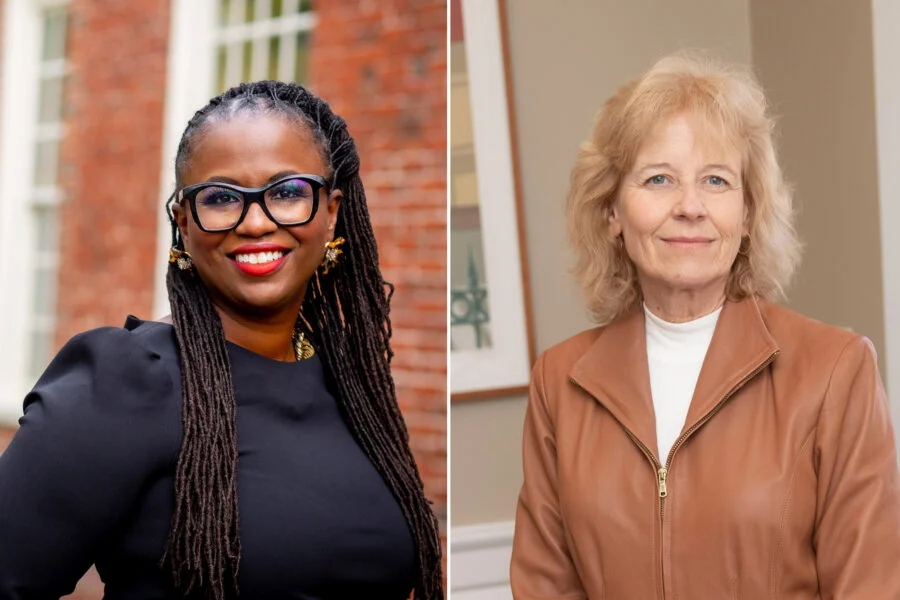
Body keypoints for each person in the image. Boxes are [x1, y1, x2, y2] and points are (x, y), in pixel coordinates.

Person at [0, 81, 443, 600]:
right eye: (221, 198)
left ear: (331, 213)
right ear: (184, 222)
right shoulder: (127, 380)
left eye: (288, 192)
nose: (255, 222)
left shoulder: (350, 383)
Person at [510, 54, 900, 599]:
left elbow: (869, 587)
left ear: (746, 215)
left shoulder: (837, 370)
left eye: (716, 180)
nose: (690, 206)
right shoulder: (559, 381)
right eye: (659, 179)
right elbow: (545, 587)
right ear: (612, 212)